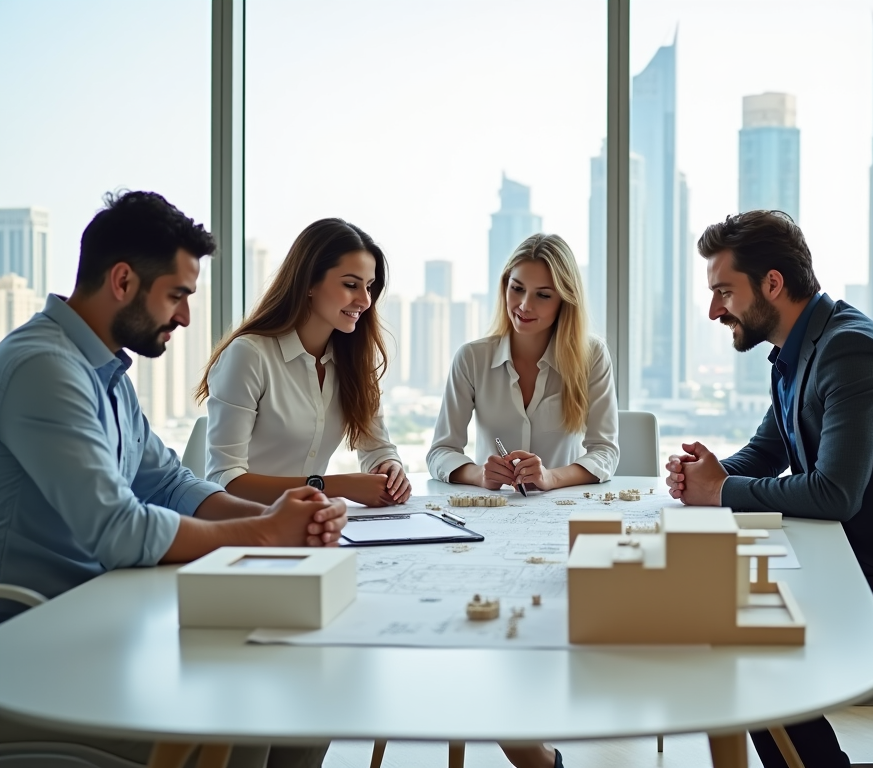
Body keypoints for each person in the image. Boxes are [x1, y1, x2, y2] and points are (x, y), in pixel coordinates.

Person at [0, 190, 346, 768]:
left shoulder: (104, 370)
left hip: (101, 621)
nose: (185, 316)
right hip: (37, 648)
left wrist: (279, 516)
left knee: (304, 695)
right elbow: (118, 528)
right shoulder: (46, 368)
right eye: (178, 295)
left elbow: (168, 484)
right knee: (249, 712)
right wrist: (265, 534)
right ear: (122, 281)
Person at [665, 210, 873, 768]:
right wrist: (704, 474)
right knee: (739, 618)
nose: (715, 310)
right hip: (861, 565)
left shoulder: (851, 351)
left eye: (723, 291)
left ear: (772, 283)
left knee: (756, 644)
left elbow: (834, 494)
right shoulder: (793, 355)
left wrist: (721, 490)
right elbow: (764, 453)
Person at [197, 218, 410, 508]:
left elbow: (376, 447)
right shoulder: (249, 355)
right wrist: (336, 486)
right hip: (245, 528)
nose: (365, 300)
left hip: (309, 525)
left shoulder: (353, 360)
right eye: (350, 285)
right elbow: (225, 480)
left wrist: (389, 467)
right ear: (309, 282)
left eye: (370, 287)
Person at [428, 233, 618, 493]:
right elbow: (441, 451)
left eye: (543, 295)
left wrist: (550, 478)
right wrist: (480, 475)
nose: (524, 305)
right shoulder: (471, 358)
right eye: (517, 289)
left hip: (564, 510)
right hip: (492, 511)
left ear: (565, 300)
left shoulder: (592, 355)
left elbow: (605, 452)